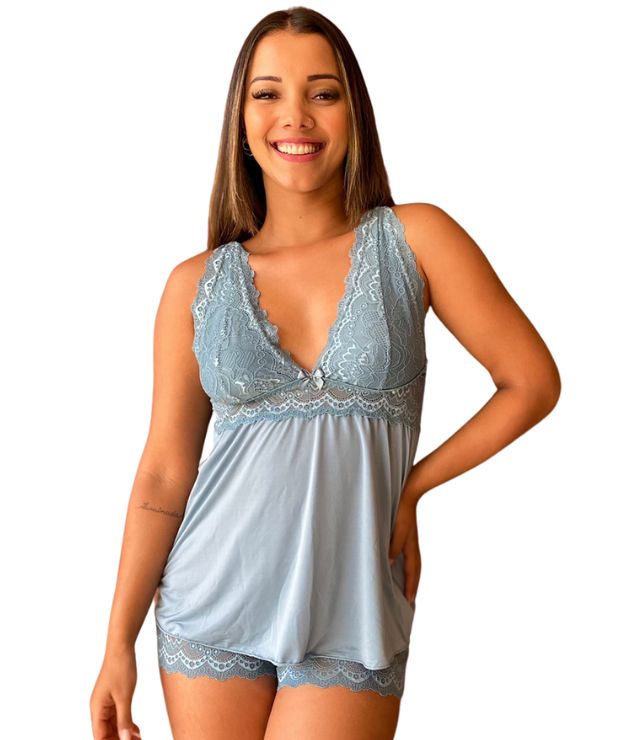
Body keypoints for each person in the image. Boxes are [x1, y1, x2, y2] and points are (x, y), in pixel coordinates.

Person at [89, 7, 561, 740]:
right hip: (209, 602)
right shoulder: (194, 285)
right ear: (241, 120)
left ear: (353, 112)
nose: (296, 117)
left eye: (323, 92)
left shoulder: (416, 239)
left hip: (355, 605)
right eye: (268, 93)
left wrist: (414, 485)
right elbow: (162, 474)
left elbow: (531, 382)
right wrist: (116, 645)